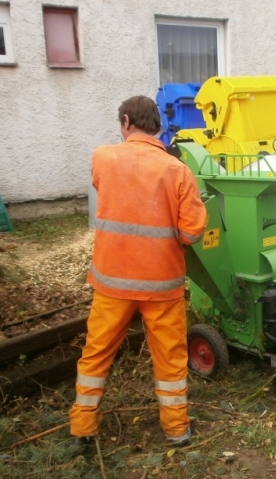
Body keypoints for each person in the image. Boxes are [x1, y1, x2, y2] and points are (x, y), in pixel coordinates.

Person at [69, 95, 207, 447]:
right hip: (162, 286)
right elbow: (191, 232)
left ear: (126, 122)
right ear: (157, 126)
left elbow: (108, 190)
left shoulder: (104, 157)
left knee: (96, 353)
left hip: (112, 283)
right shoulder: (178, 171)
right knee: (170, 358)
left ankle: (83, 430)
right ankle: (177, 430)